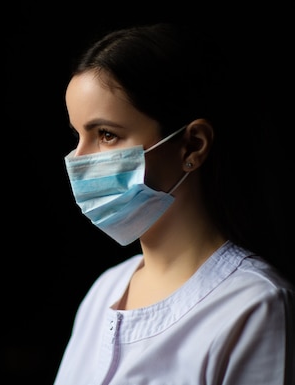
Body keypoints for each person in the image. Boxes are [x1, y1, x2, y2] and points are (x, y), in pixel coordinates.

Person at [53, 22, 294, 385]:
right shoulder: (104, 291)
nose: (79, 159)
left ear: (193, 145)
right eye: (77, 135)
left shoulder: (255, 306)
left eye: (106, 135)